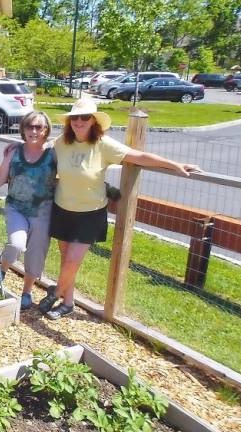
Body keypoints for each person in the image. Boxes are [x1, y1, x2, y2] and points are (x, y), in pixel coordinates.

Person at [40, 98, 201, 320]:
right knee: (66, 258)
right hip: (63, 209)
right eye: (74, 117)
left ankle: (54, 294)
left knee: (72, 261)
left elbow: (139, 156)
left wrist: (174, 164)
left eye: (84, 117)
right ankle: (68, 303)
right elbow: (41, 151)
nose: (79, 121)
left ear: (93, 121)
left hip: (89, 213)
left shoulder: (104, 144)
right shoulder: (61, 142)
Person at [0, 111, 57, 313]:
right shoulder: (14, 152)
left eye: (39, 127)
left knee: (36, 253)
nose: (34, 131)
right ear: (23, 129)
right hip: (17, 208)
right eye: (30, 126)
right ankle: (2, 270)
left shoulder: (53, 154)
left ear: (46, 131)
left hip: (43, 212)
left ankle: (27, 292)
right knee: (17, 242)